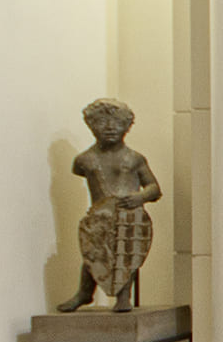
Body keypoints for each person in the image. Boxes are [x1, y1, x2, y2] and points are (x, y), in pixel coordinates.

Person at [57, 98, 162, 313]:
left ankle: (124, 296)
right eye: (102, 122)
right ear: (91, 125)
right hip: (99, 217)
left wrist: (139, 197)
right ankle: (84, 293)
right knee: (93, 254)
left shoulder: (134, 159)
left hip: (128, 214)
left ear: (127, 125)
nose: (110, 128)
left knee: (126, 254)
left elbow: (154, 188)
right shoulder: (84, 160)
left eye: (117, 122)